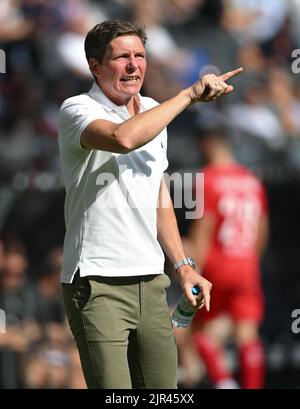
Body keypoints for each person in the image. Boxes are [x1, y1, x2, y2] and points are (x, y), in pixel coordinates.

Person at [58, 19, 243, 389]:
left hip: (152, 282)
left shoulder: (156, 110)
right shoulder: (77, 109)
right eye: (121, 57)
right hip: (97, 283)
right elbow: (123, 138)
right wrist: (188, 95)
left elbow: (158, 196)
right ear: (95, 66)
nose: (133, 66)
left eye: (139, 56)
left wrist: (184, 267)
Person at [187, 127, 269, 389]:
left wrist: (192, 271)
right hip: (246, 264)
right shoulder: (252, 180)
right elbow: (262, 230)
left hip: (216, 265)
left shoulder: (206, 178)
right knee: (247, 333)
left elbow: (203, 231)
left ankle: (224, 382)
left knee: (201, 333)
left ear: (209, 144)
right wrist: (250, 260)